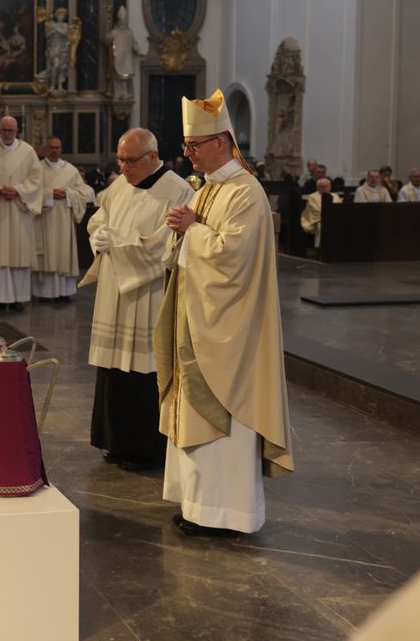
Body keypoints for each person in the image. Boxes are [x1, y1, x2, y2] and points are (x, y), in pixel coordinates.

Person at [155, 89, 295, 537]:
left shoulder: (245, 193)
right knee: (193, 412)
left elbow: (233, 257)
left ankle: (226, 513)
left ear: (222, 142)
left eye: (194, 146)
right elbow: (191, 244)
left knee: (222, 417)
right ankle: (199, 506)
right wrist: (182, 230)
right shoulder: (209, 189)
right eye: (187, 146)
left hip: (228, 330)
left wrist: (191, 231)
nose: (188, 153)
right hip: (197, 319)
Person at [83, 128, 193, 472]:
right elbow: (100, 218)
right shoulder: (119, 185)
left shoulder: (177, 190)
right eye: (120, 159)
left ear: (153, 158)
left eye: (130, 160)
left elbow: (165, 245)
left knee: (145, 370)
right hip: (114, 291)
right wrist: (99, 232)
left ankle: (146, 448)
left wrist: (119, 240)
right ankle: (114, 441)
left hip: (148, 293)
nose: (124, 167)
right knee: (114, 369)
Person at [0, 116, 43, 311]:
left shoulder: (28, 152)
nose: (7, 134)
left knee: (18, 253)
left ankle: (17, 298)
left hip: (19, 210)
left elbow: (37, 179)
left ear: (17, 131)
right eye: (4, 130)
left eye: (11, 130)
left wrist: (18, 190)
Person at [33, 136, 95, 302]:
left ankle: (63, 292)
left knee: (63, 253)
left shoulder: (70, 170)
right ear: (44, 149)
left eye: (57, 148)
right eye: (51, 147)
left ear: (61, 149)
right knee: (47, 254)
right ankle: (44, 294)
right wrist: (49, 194)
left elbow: (84, 192)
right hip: (44, 220)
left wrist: (68, 194)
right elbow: (30, 192)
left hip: (64, 220)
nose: (54, 151)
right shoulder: (36, 169)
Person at [105, 5, 140, 101]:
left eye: (125, 19)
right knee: (117, 76)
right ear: (119, 19)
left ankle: (126, 92)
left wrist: (136, 48)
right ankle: (118, 93)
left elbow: (134, 43)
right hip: (118, 57)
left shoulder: (129, 32)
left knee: (126, 76)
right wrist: (108, 38)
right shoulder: (115, 32)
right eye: (122, 19)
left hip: (127, 58)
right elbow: (107, 40)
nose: (123, 21)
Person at [300, 177, 341, 249]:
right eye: (322, 187)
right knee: (321, 225)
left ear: (330, 187)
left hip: (334, 219)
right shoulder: (312, 196)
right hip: (318, 220)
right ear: (317, 187)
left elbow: (339, 208)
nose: (325, 189)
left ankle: (337, 247)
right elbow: (315, 210)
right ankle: (320, 248)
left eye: (327, 186)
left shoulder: (335, 196)